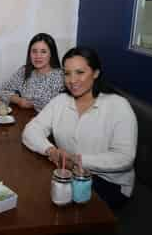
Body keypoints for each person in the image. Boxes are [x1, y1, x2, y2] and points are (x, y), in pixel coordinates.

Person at [22, 47, 138, 209]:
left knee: (51, 202)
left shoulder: (118, 106)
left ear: (96, 73)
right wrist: (51, 151)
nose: (72, 80)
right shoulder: (61, 101)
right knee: (30, 192)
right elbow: (31, 130)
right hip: (68, 173)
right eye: (67, 73)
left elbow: (125, 157)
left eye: (80, 72)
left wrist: (77, 160)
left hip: (108, 183)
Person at [0, 33, 64, 111]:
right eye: (34, 51)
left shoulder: (60, 77)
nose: (38, 56)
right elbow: (3, 91)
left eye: (43, 52)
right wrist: (19, 101)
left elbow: (59, 108)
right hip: (25, 118)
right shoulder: (24, 71)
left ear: (51, 54)